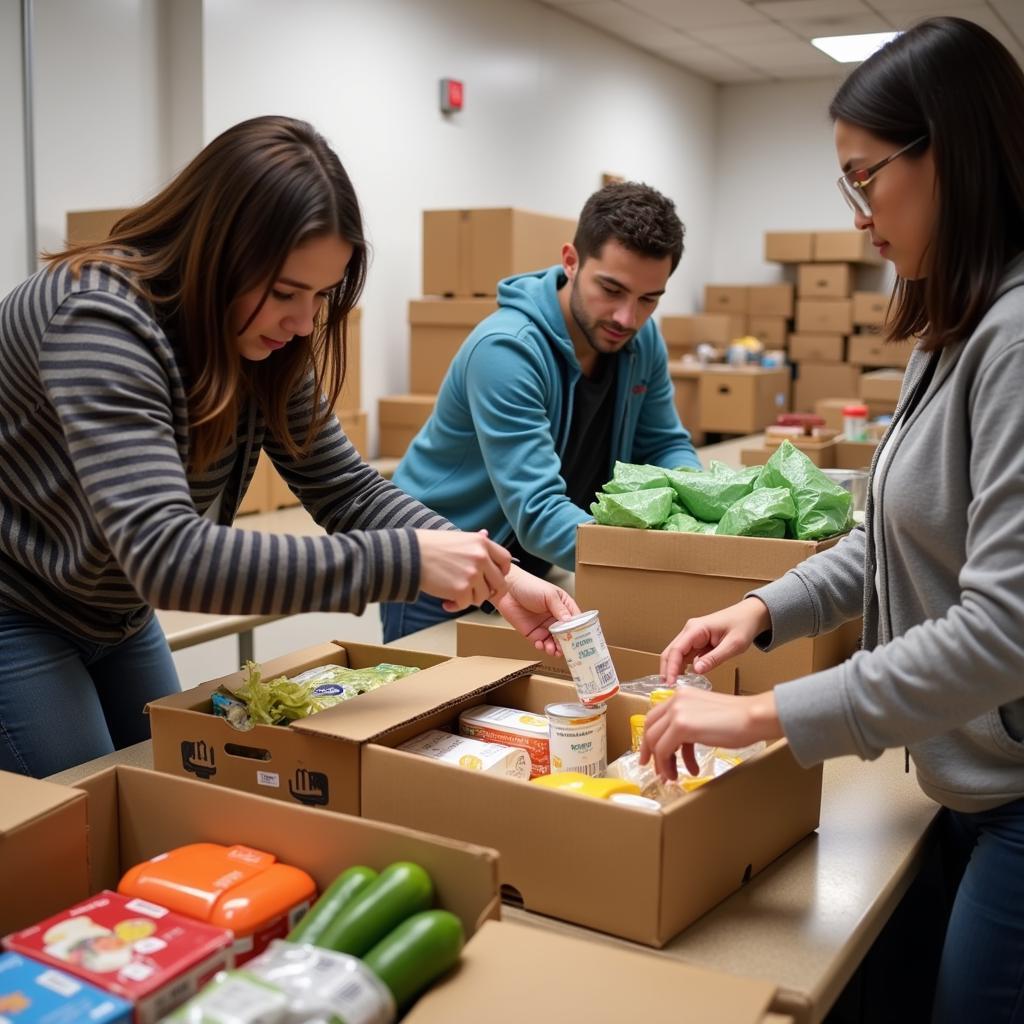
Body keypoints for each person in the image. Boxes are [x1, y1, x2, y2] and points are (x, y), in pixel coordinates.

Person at [639, 18, 1024, 1022]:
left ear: (955, 151)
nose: (857, 213)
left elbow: (1003, 631)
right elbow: (885, 539)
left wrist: (761, 715)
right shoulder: (954, 324)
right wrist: (763, 611)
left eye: (866, 178)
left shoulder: (1017, 342)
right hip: (970, 777)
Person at [0, 115, 577, 780]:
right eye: (284, 293)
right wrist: (404, 559)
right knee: (83, 819)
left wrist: (496, 575)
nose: (304, 322)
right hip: (18, 603)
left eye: (321, 295)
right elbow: (166, 553)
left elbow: (345, 488)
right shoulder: (97, 320)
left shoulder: (255, 336)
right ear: (217, 252)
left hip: (114, 608)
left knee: (162, 783)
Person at [382, 182, 701, 641]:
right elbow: (537, 510)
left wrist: (696, 526)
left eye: (649, 299)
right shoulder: (507, 350)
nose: (626, 318)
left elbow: (665, 443)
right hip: (443, 573)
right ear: (571, 261)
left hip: (530, 565)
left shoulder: (640, 342)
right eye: (611, 289)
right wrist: (658, 560)